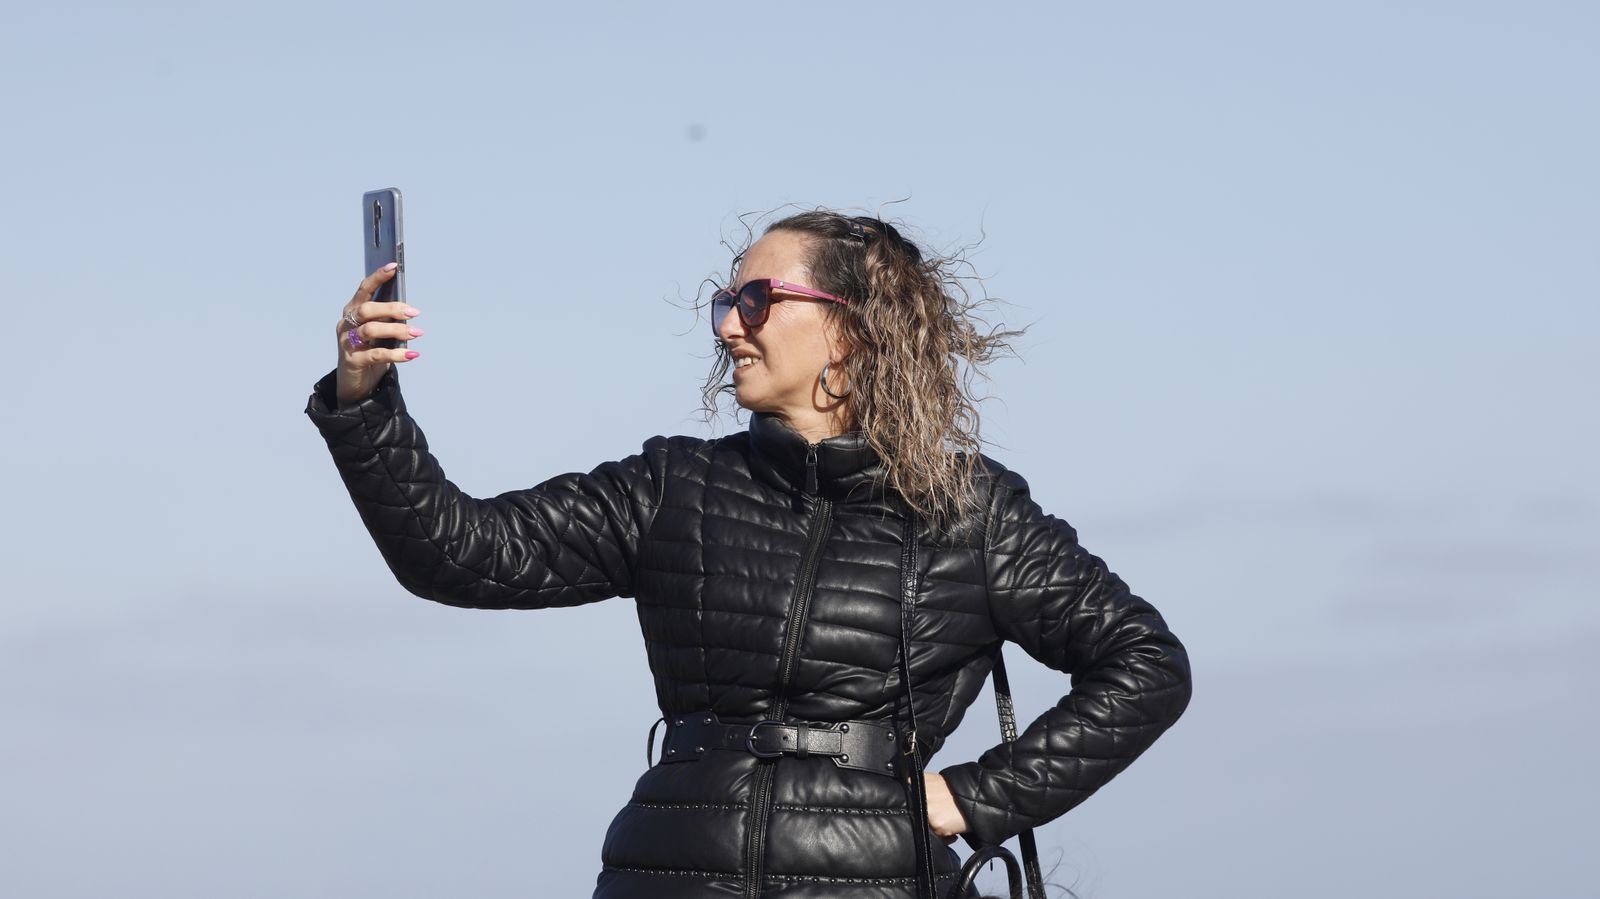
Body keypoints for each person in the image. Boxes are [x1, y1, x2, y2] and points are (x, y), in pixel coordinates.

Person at [304, 209, 1192, 899]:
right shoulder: (673, 486)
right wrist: (364, 398)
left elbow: (1146, 663)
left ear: (849, 327)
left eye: (757, 301)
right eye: (726, 302)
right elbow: (458, 554)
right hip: (668, 874)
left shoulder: (968, 509)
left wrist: (976, 797)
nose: (730, 325)